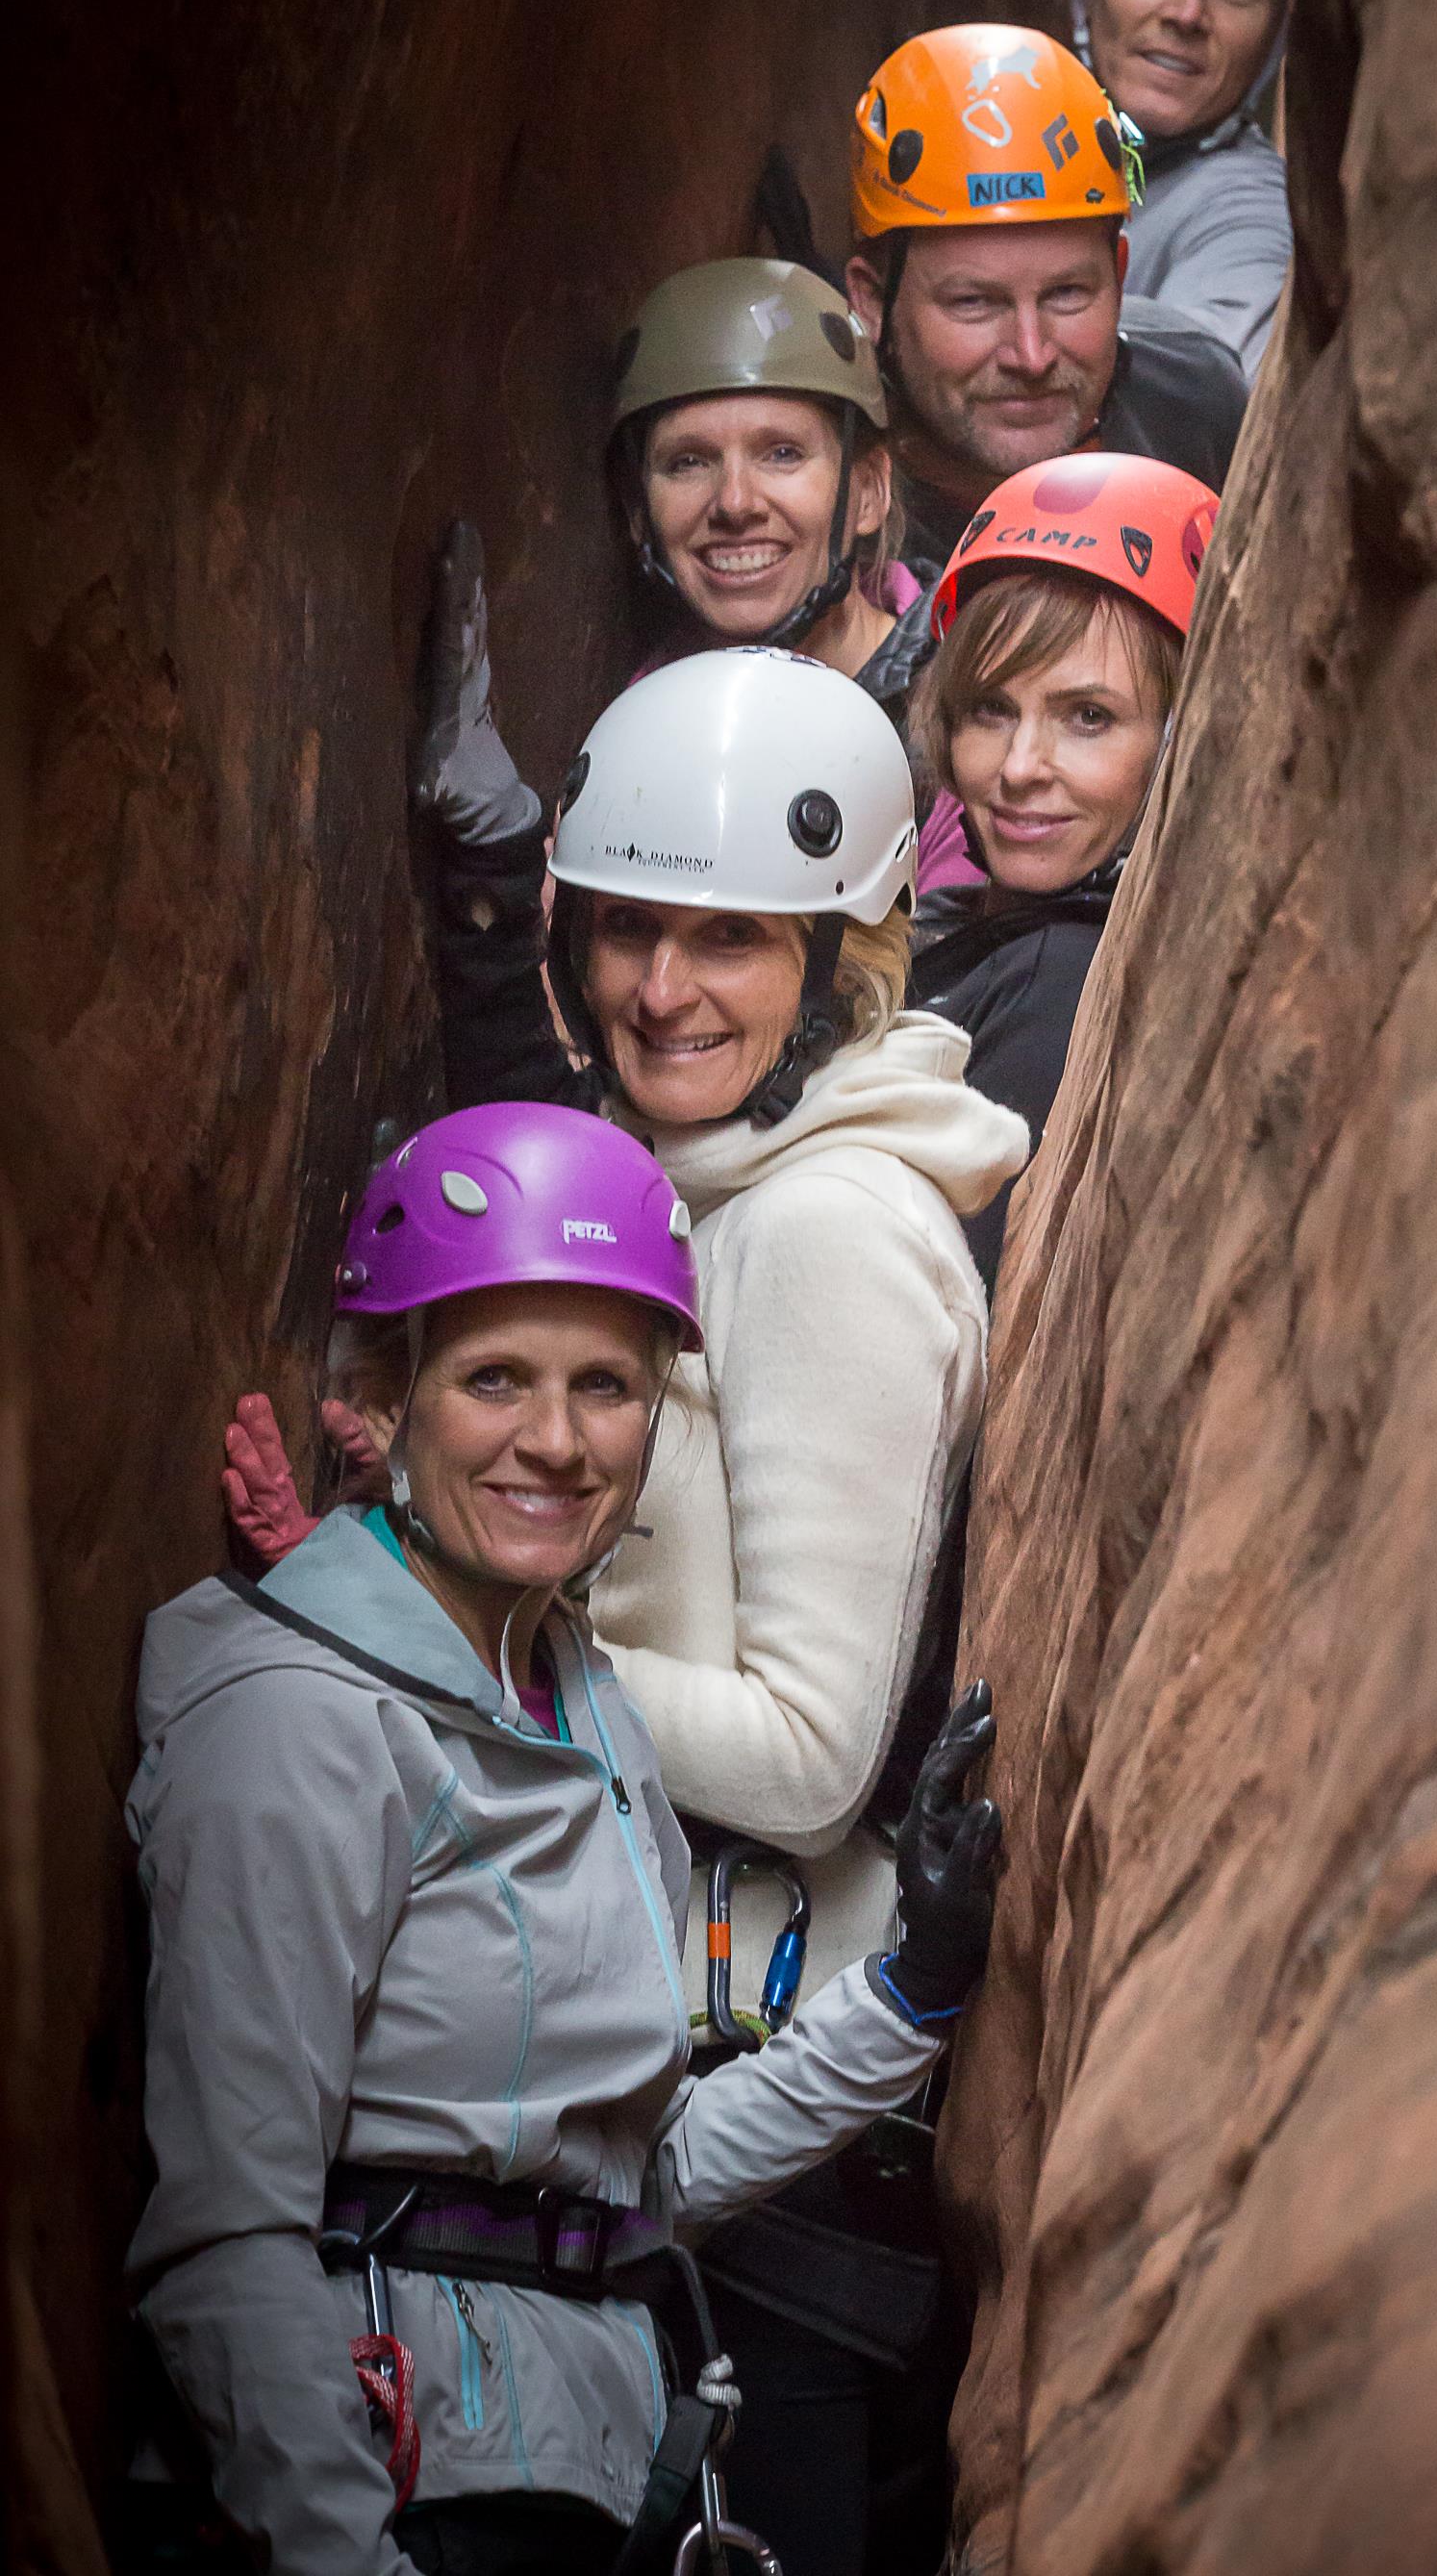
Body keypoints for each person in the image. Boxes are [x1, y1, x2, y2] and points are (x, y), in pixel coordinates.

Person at [223, 644, 1028, 2573]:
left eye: (732, 941)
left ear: (841, 958)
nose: (662, 989)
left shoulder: (830, 1230)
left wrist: (408, 1629)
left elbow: (815, 1753)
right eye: (629, 931)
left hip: (774, 2167)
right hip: (664, 2122)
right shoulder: (715, 1191)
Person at [129, 1100, 1003, 2575]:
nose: (556, 1439)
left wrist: (911, 1991)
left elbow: (635, 2179)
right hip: (389, 2488)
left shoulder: (582, 1705)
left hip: (584, 2474)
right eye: (493, 1380)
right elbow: (225, 2240)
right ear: (389, 1391)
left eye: (607, 1384)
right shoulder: (300, 1724)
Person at [843, 21, 1247, 720]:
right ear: (871, 302)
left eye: (1068, 295)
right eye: (973, 303)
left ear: (1121, 278)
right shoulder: (820, 495)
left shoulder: (1192, 406)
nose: (1031, 355)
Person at [907, 450, 1218, 1291]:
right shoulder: (959, 923)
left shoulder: (1060, 986)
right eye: (990, 709)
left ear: (1183, 741)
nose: (1019, 767)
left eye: (1088, 717)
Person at [601, 256, 978, 887]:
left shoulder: (974, 707)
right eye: (689, 462)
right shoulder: (636, 733)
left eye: (782, 453)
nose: (735, 503)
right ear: (639, 512)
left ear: (866, 493)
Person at [1075, 0, 1315, 378]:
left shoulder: (1249, 212)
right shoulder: (1008, 130)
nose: (1187, 13)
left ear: (1276, 36)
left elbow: (1195, 396)